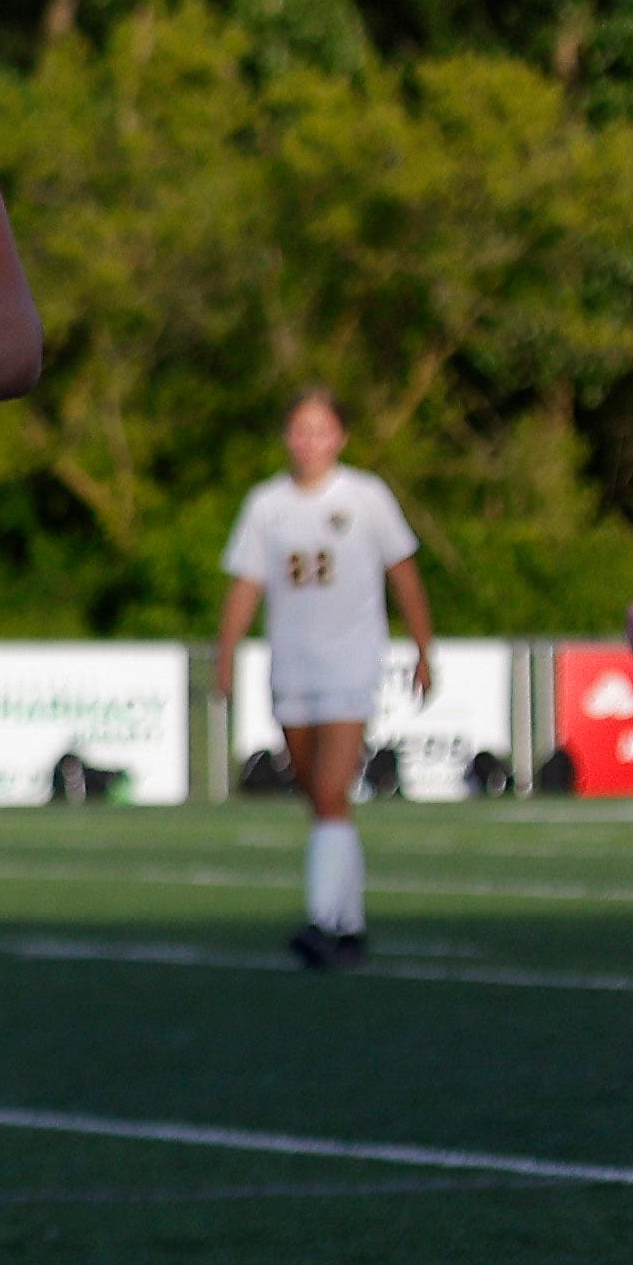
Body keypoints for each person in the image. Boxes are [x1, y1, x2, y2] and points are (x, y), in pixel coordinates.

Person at [222, 390, 429, 968]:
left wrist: (423, 648)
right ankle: (350, 926)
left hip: (350, 661)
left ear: (340, 436)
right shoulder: (266, 504)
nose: (309, 442)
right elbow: (245, 582)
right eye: (299, 430)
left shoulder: (366, 496)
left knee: (333, 791)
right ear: (287, 437)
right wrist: (225, 655)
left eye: (320, 430)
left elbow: (403, 573)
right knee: (319, 799)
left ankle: (320, 922)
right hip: (291, 664)